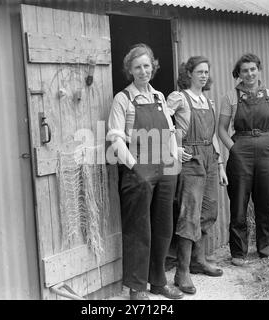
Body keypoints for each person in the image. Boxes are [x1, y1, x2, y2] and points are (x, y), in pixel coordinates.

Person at [106, 44, 183, 300]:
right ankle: (137, 287)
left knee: (163, 226)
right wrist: (135, 168)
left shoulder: (160, 97)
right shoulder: (123, 99)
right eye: (137, 67)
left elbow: (171, 132)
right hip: (138, 167)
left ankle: (159, 282)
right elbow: (116, 140)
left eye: (146, 66)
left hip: (165, 167)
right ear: (130, 70)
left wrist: (173, 160)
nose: (143, 71)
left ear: (153, 67)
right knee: (139, 229)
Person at [218, 53, 269, 267]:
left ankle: (265, 249)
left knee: (265, 202)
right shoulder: (231, 96)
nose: (249, 74)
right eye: (244, 70)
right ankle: (238, 253)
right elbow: (221, 129)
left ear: (259, 70)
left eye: (252, 69)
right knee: (239, 202)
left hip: (268, 151)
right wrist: (234, 149)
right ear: (238, 74)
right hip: (241, 150)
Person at [167, 56, 228, 294]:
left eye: (206, 72)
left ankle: (198, 260)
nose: (204, 75)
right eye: (199, 71)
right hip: (190, 158)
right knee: (189, 214)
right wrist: (175, 146)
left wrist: (220, 164)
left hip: (210, 159)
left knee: (209, 210)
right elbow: (162, 121)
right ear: (189, 73)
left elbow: (213, 136)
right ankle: (182, 271)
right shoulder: (179, 97)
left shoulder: (208, 101)